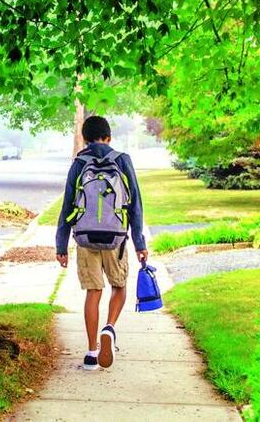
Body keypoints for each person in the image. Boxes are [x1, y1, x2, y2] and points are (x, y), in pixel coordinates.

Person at [55, 115, 148, 370]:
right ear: (108, 137)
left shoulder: (79, 163)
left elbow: (67, 205)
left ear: (84, 139)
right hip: (115, 238)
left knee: (93, 292)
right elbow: (135, 203)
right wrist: (139, 242)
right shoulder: (121, 160)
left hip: (85, 238)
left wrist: (61, 245)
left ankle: (91, 352)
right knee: (118, 286)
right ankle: (110, 328)